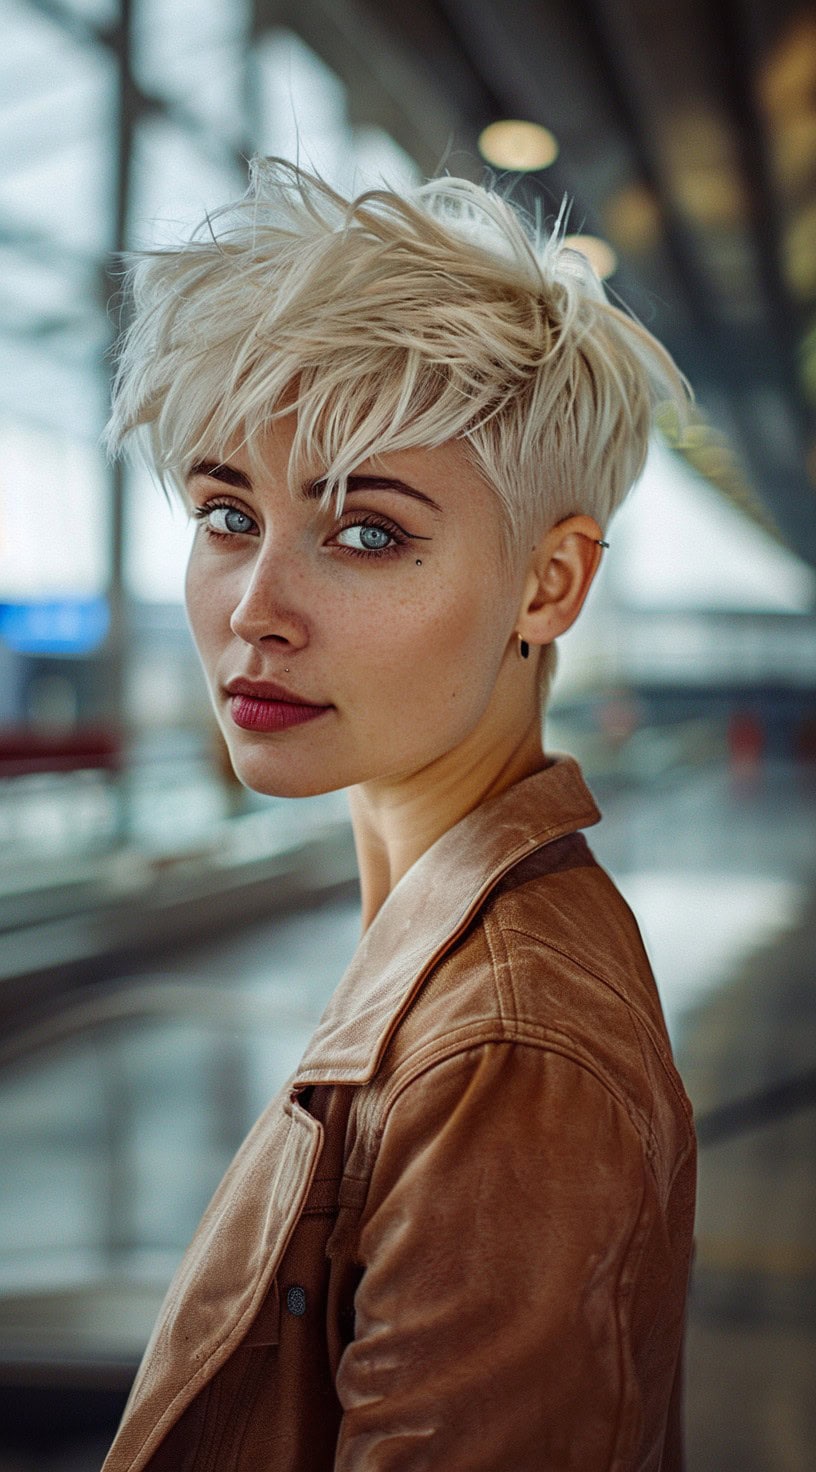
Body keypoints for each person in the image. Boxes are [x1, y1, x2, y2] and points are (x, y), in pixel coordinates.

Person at [102, 158, 696, 1472]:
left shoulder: (509, 1051)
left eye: (366, 530)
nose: (255, 605)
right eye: (225, 513)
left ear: (549, 585)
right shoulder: (441, 949)